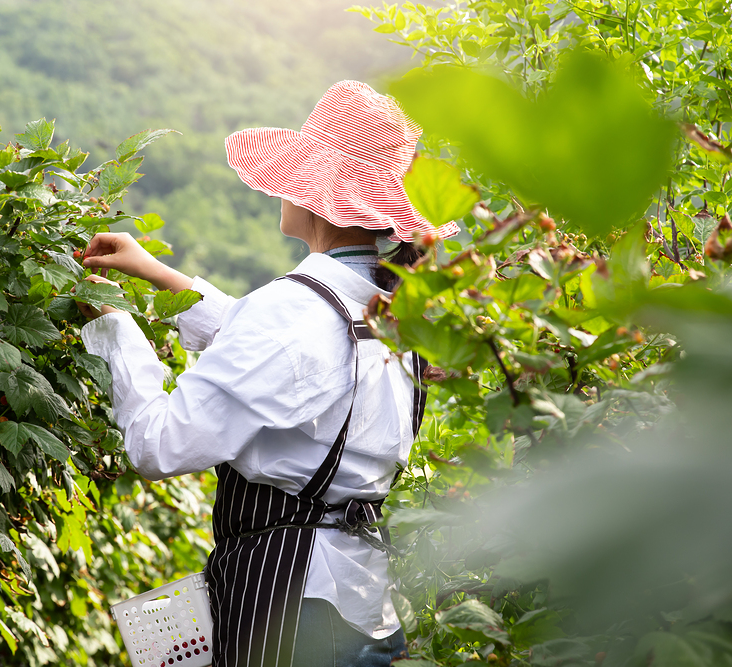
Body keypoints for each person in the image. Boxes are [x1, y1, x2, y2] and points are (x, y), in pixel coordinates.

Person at [77, 81, 458, 667]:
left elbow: (157, 445)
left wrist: (113, 328)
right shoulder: (389, 311)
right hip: (360, 608)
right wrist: (155, 271)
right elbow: (284, 356)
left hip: (292, 618)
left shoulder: (297, 310)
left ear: (318, 193)